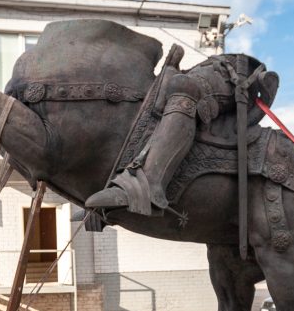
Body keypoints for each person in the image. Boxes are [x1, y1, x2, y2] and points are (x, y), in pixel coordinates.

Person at [85, 53, 278, 216]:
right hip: (206, 67)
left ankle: (149, 184)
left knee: (184, 86)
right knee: (156, 97)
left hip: (234, 72)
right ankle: (111, 189)